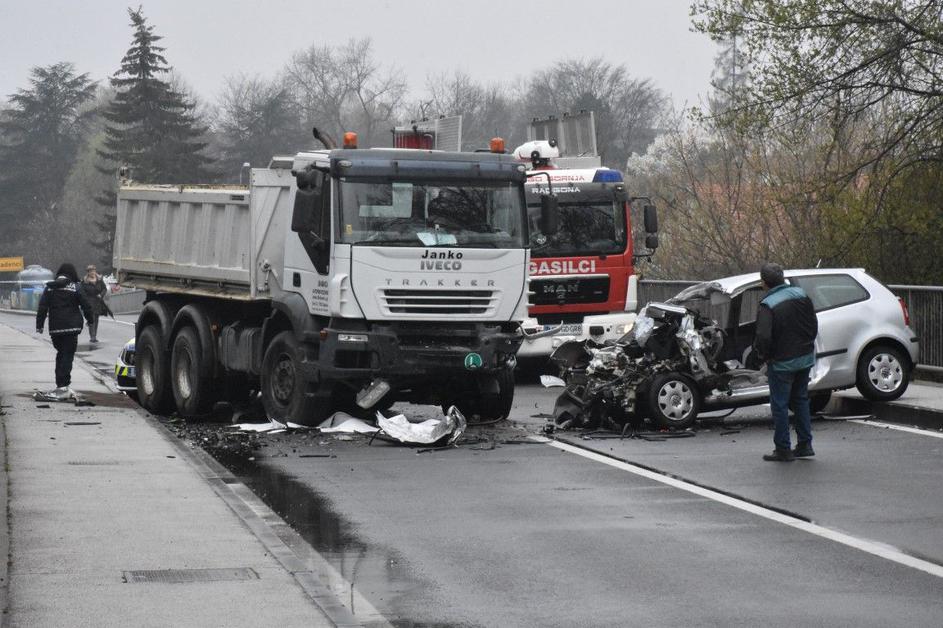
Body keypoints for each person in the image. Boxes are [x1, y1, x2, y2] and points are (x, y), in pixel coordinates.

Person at [753, 263, 819, 462]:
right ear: (782, 278)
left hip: (782, 362)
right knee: (800, 400)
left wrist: (763, 357)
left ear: (764, 282)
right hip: (805, 357)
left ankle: (783, 448)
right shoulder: (801, 295)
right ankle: (805, 444)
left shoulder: (768, 304)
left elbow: (763, 337)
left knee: (780, 404)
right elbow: (813, 324)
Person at [35, 263, 94, 400]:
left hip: (55, 329)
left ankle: (60, 384)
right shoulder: (76, 287)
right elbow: (86, 304)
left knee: (61, 354)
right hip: (72, 328)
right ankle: (63, 386)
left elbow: (43, 307)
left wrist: (40, 325)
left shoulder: (50, 288)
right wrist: (90, 320)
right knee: (67, 356)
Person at [80, 264, 108, 343]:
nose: (92, 272)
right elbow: (82, 292)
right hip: (89, 302)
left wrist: (101, 294)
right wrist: (84, 300)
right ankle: (93, 336)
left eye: (94, 271)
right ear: (88, 272)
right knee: (92, 319)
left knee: (96, 318)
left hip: (98, 302)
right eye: (91, 271)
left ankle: (94, 334)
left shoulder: (99, 280)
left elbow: (104, 289)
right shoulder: (84, 281)